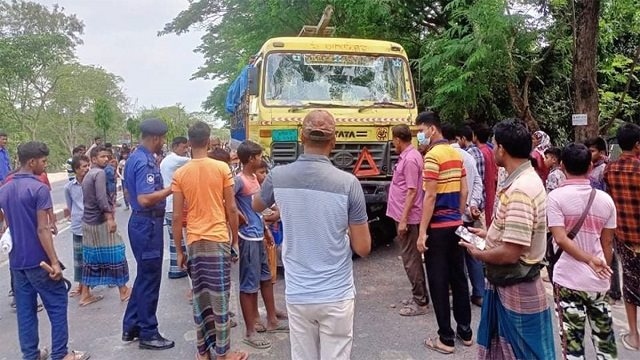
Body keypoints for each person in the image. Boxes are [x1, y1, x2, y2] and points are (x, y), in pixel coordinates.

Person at [253, 110, 371, 360]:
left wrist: (285, 211)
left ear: (301, 137)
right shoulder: (349, 183)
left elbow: (256, 205)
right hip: (336, 293)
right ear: (334, 141)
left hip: (299, 293)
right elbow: (363, 248)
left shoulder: (277, 176)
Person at [460, 119, 555, 359]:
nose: (492, 150)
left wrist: (478, 253)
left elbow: (511, 252)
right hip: (512, 283)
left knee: (523, 352)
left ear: (501, 148)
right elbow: (514, 236)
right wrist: (489, 235)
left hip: (516, 284)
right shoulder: (523, 180)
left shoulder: (520, 190)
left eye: (493, 145)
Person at [0, 141, 89, 360]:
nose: (45, 165)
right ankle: (61, 353)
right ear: (31, 162)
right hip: (40, 261)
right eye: (43, 161)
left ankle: (30, 354)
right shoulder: (38, 188)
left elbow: (5, 225)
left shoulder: (5, 189)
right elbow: (42, 229)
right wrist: (55, 262)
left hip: (17, 262)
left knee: (25, 311)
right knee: (58, 304)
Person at [172, 121, 248, 360]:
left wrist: (180, 250)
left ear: (189, 142)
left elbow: (176, 216)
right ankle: (223, 353)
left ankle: (203, 351)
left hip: (194, 239)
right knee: (220, 298)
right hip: (218, 238)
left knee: (200, 297)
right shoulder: (221, 169)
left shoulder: (180, 173)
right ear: (208, 140)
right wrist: (235, 241)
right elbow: (232, 209)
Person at [548, 143, 618, 358]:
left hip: (568, 279)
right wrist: (600, 267)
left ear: (561, 166)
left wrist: (588, 260)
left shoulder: (555, 198)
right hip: (598, 281)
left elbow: (560, 238)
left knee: (572, 346)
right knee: (605, 344)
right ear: (590, 166)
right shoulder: (606, 200)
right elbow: (607, 244)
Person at [415, 112, 471, 354]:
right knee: (459, 278)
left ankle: (445, 339)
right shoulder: (455, 153)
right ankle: (466, 332)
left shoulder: (432, 156)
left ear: (431, 129)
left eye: (420, 130)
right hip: (456, 225)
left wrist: (422, 232)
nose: (419, 136)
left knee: (438, 281)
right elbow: (464, 190)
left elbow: (429, 196)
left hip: (437, 227)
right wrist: (456, 214)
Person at [122, 118, 174, 350]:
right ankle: (148, 332)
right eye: (162, 138)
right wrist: (171, 189)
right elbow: (144, 198)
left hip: (143, 224)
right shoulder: (144, 162)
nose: (163, 142)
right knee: (150, 280)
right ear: (155, 138)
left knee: (144, 276)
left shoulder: (136, 157)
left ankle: (132, 325)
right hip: (147, 225)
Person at [233, 140, 288, 350]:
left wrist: (266, 225)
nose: (261, 159)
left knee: (266, 278)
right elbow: (226, 202)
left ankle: (272, 319)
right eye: (258, 156)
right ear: (250, 159)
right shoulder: (239, 181)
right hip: (247, 237)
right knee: (248, 284)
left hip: (259, 234)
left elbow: (258, 207)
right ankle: (250, 331)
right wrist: (239, 217)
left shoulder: (254, 178)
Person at [386, 124, 430, 316]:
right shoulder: (409, 156)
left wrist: (403, 220)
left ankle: (420, 302)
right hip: (404, 215)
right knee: (410, 258)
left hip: (410, 218)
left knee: (411, 259)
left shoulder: (411, 159)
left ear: (397, 139)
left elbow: (412, 191)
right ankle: (418, 296)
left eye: (393, 140)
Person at [604, 122, 640, 351]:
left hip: (624, 238)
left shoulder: (610, 170)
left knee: (630, 285)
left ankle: (634, 335)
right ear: (637, 145)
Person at [81, 146, 131, 306]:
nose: (105, 159)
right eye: (102, 156)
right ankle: (123, 290)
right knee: (117, 253)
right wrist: (109, 218)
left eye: (107, 156)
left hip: (88, 222)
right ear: (94, 159)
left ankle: (85, 293)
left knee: (90, 257)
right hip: (100, 221)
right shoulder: (100, 173)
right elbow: (102, 198)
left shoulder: (89, 174)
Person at [444, 124, 485, 307]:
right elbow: (478, 182)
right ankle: (479, 293)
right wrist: (472, 204)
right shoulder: (468, 156)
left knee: (454, 257)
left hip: (449, 217)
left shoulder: (440, 156)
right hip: (468, 215)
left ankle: (458, 295)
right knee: (473, 253)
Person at [160, 136, 190, 279]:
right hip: (174, 204)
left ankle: (175, 268)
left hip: (170, 203)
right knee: (180, 239)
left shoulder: (167, 160)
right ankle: (178, 268)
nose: (186, 150)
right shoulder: (175, 160)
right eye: (184, 147)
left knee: (174, 239)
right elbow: (198, 161)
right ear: (175, 146)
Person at [64, 155, 93, 299]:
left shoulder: (93, 182)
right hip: (77, 225)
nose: (87, 169)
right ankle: (82, 285)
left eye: (88, 166)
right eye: (84, 166)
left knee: (92, 256)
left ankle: (89, 285)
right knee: (79, 258)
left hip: (92, 224)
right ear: (76, 169)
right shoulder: (69, 187)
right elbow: (70, 206)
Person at [467, 123, 497, 228]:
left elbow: (478, 179)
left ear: (475, 136)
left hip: (484, 194)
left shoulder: (479, 153)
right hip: (491, 191)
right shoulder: (491, 150)